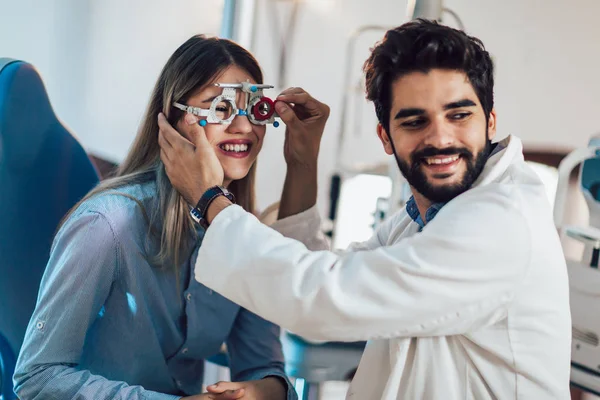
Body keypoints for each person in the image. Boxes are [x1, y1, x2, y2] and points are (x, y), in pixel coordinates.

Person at [157, 20, 571, 399]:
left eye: (459, 115)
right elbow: (318, 277)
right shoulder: (423, 220)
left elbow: (325, 301)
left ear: (491, 121)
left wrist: (210, 199)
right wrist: (303, 162)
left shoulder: (500, 223)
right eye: (413, 121)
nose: (441, 138)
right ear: (385, 137)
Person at [13, 35, 295, 400]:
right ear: (174, 120)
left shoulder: (243, 235)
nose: (244, 128)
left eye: (255, 109)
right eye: (221, 108)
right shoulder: (107, 225)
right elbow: (36, 377)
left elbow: (265, 366)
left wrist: (256, 392)